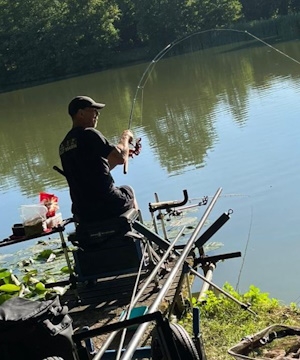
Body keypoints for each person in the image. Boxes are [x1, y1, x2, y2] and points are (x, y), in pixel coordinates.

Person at [59, 95, 138, 224]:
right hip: (108, 203)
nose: (97, 114)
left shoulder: (63, 146)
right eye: (93, 110)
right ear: (81, 113)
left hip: (82, 211)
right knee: (128, 190)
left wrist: (125, 152)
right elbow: (119, 158)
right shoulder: (89, 133)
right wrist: (125, 138)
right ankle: (140, 238)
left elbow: (94, 169)